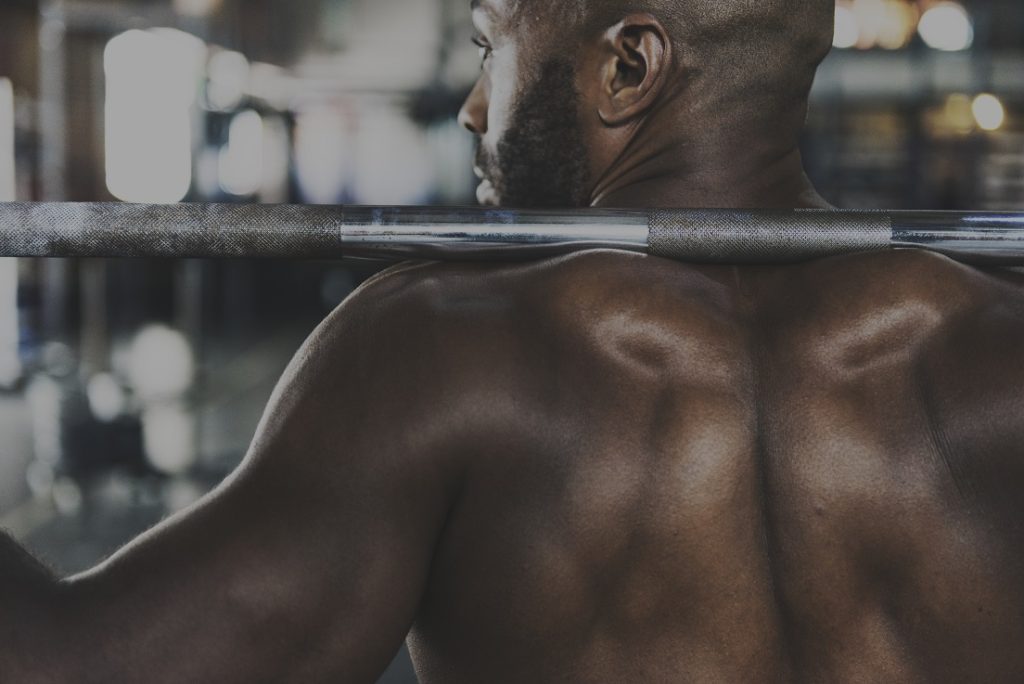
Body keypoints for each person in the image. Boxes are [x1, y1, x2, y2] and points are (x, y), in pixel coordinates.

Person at [3, 0, 1024, 681]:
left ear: (627, 65)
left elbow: (69, 670)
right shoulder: (997, 352)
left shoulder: (444, 354)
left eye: (491, 45)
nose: (472, 108)